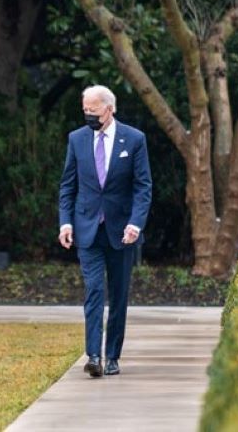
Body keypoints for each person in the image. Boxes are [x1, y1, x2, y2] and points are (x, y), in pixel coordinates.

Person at [58, 85, 152, 377]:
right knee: (94, 291)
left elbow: (143, 186)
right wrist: (66, 222)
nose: (88, 115)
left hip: (122, 232)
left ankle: (113, 355)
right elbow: (68, 185)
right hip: (87, 230)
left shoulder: (134, 139)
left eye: (93, 110)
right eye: (85, 110)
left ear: (109, 109)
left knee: (119, 294)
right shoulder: (77, 139)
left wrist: (136, 223)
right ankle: (94, 356)